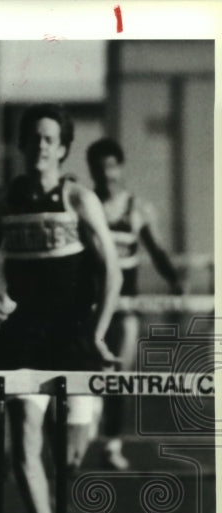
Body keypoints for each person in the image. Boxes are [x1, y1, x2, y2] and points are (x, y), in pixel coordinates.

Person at [0, 104, 121, 513]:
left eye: (49, 139)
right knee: (23, 439)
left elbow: (112, 272)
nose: (40, 146)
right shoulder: (3, 199)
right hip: (24, 334)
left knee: (71, 458)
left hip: (75, 333)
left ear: (61, 149)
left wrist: (98, 334)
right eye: (33, 138)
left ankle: (79, 443)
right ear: (22, 146)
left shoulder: (78, 198)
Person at [85, 138, 184, 470]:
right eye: (99, 169)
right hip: (92, 306)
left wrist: (175, 280)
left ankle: (112, 444)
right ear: (92, 172)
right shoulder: (86, 205)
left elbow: (155, 249)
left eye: (112, 167)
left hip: (126, 308)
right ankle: (84, 431)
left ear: (121, 168)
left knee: (119, 376)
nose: (107, 175)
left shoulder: (137, 209)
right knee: (89, 374)